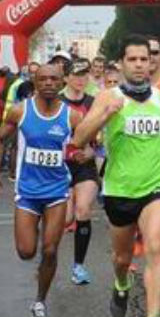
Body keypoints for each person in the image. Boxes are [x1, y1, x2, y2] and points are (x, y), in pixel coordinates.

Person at [73, 35, 160, 317]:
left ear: (152, 63)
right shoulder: (108, 97)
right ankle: (121, 284)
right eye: (131, 59)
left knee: (155, 248)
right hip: (119, 189)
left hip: (155, 185)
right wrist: (106, 116)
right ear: (121, 63)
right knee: (121, 258)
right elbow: (79, 138)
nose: (138, 65)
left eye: (143, 59)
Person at [0, 63, 76, 317]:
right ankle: (34, 235)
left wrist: (85, 154)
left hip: (57, 191)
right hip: (27, 191)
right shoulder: (21, 111)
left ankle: (40, 301)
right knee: (26, 251)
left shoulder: (71, 117)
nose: (48, 83)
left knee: (49, 250)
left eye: (54, 79)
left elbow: (90, 147)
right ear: (35, 82)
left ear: (62, 83)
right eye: (43, 79)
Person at [60, 59, 99, 285]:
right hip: (62, 167)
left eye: (85, 75)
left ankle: (79, 266)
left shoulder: (94, 103)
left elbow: (106, 137)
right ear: (65, 78)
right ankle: (49, 253)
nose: (81, 79)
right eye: (76, 75)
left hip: (85, 166)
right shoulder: (57, 103)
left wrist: (94, 153)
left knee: (83, 211)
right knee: (64, 219)